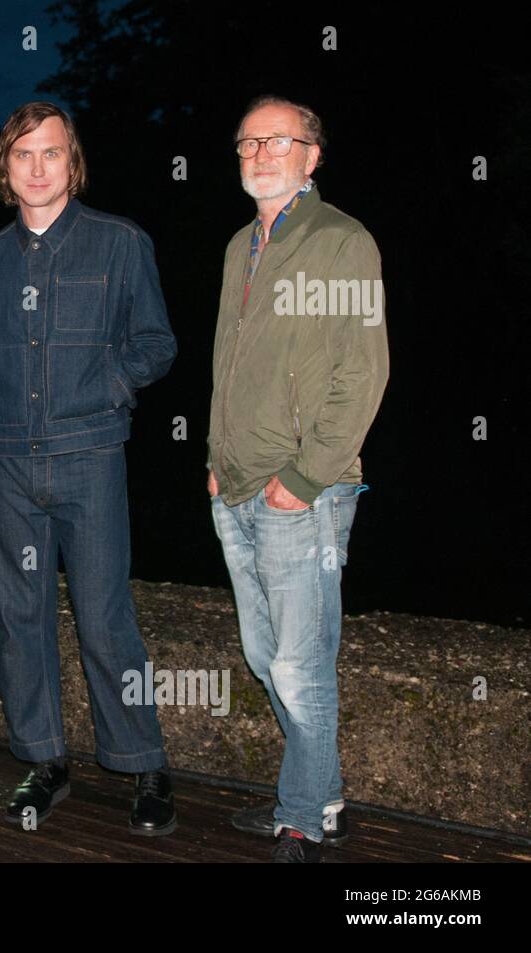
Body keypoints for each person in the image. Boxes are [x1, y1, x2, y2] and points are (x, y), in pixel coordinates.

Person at [0, 102, 178, 832]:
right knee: (21, 618)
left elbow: (156, 342)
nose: (38, 167)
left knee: (106, 616)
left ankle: (146, 763)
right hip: (7, 466)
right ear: (5, 168)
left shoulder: (120, 243)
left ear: (72, 162)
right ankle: (45, 760)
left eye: (52, 153)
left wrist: (106, 387)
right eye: (23, 155)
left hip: (89, 459)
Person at [207, 96, 388, 862]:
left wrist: (306, 476)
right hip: (237, 484)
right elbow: (229, 362)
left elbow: (365, 371)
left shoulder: (343, 241)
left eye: (277, 140)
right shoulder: (238, 245)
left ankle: (303, 820)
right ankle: (322, 791)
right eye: (248, 141)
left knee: (298, 662)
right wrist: (216, 460)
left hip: (301, 492)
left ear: (313, 155)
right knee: (264, 653)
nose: (259, 153)